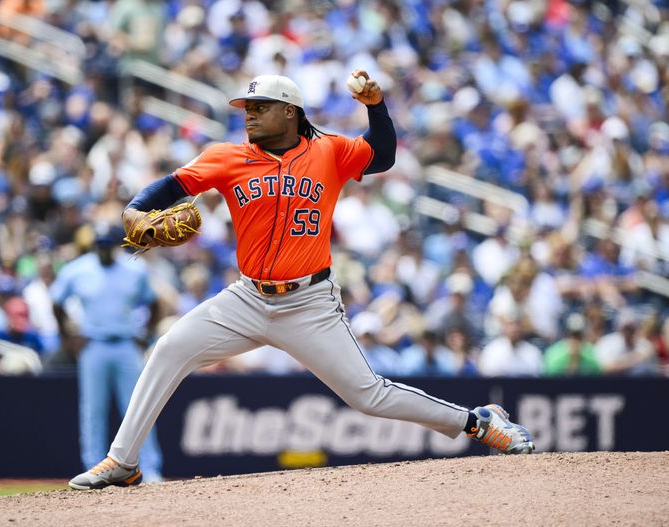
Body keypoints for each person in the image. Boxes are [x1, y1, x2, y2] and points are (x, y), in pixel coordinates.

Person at [69, 72, 534, 490]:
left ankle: (478, 422)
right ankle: (123, 461)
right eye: (246, 108)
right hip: (247, 298)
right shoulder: (227, 157)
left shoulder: (329, 151)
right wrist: (134, 209)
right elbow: (170, 187)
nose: (249, 115)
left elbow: (384, 156)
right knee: (169, 349)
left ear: (290, 112)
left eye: (260, 107)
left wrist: (375, 105)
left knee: (367, 394)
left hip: (309, 302)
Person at [52, 224, 164, 484]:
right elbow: (56, 302)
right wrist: (68, 338)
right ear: (94, 246)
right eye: (98, 245)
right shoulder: (78, 269)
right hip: (93, 345)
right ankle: (93, 467)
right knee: (93, 410)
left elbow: (154, 302)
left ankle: (150, 468)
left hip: (126, 343)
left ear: (115, 246)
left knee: (139, 407)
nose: (102, 250)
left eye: (106, 245)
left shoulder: (134, 268)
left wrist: (145, 336)